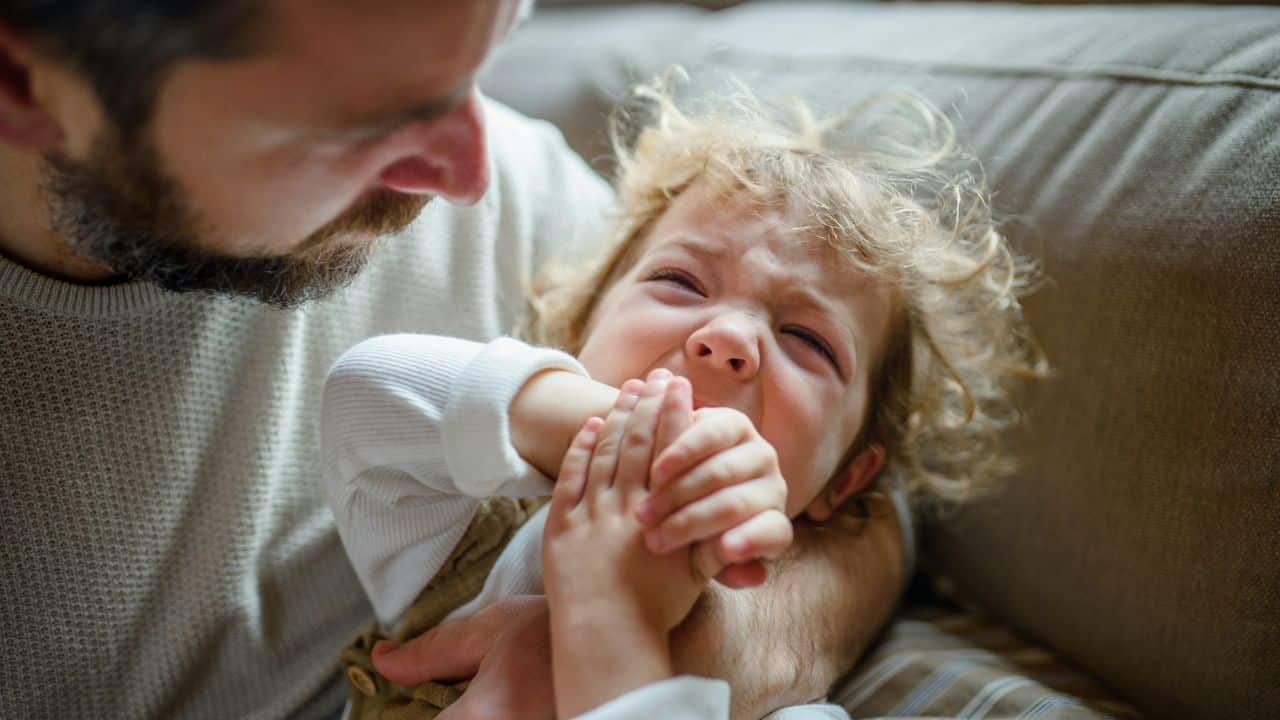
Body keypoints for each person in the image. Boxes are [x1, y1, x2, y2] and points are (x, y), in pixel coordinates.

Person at [0, 3, 910, 719]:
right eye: (354, 119)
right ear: (23, 82)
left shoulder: (539, 209)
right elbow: (372, 394)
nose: (470, 176)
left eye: (489, 52)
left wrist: (661, 640)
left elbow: (891, 495)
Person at [321, 77, 1043, 719]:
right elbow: (367, 395)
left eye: (808, 340)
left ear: (846, 480)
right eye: (682, 283)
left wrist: (616, 625)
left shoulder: (784, 702)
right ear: (576, 333)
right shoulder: (464, 528)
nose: (729, 337)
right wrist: (603, 429)